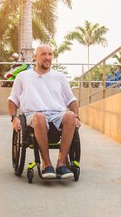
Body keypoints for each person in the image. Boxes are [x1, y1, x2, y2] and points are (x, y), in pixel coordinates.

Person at [8, 44, 81, 179]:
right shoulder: (23, 76)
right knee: (39, 117)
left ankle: (61, 164)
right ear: (35, 57)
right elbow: (12, 100)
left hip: (57, 114)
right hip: (33, 115)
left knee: (70, 116)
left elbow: (72, 100)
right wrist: (14, 118)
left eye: (50, 54)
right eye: (43, 54)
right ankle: (46, 164)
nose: (48, 57)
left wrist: (77, 116)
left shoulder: (59, 77)